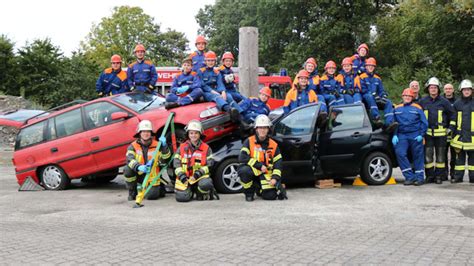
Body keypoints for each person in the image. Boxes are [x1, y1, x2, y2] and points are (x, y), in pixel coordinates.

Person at [238, 115, 284, 201]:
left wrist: (275, 178)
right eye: (260, 128)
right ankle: (249, 193)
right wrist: (258, 165)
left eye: (265, 128)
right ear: (256, 129)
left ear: (268, 129)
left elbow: (278, 164)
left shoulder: (274, 145)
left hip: (266, 174)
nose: (262, 130)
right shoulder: (249, 141)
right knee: (244, 171)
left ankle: (259, 189)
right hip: (252, 170)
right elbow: (242, 157)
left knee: (271, 197)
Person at [419, 77, 456, 184]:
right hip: (428, 134)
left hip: (441, 134)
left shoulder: (444, 102)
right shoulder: (423, 101)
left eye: (435, 87)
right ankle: (430, 176)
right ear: (428, 89)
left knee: (441, 157)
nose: (433, 89)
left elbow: (453, 114)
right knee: (428, 156)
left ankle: (439, 176)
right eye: (431, 87)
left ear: (438, 89)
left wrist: (451, 128)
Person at [124, 120, 170, 201]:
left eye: (148, 131)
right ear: (139, 133)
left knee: (151, 196)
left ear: (151, 133)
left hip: (152, 175)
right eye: (144, 131)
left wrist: (164, 147)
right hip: (138, 173)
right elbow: (129, 160)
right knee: (127, 169)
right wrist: (139, 167)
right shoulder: (133, 146)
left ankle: (157, 188)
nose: (146, 134)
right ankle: (132, 191)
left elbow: (165, 159)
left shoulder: (157, 145)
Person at [173, 120, 219, 201]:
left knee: (206, 184)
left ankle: (199, 192)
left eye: (196, 133)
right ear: (188, 134)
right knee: (182, 198)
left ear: (200, 134)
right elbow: (176, 164)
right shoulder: (182, 147)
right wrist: (182, 176)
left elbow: (210, 165)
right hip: (185, 178)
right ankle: (189, 191)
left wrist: (197, 175)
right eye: (191, 133)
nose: (193, 135)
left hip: (199, 177)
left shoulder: (206, 148)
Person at [392, 88, 428, 186]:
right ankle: (409, 177)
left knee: (418, 156)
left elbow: (424, 122)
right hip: (402, 135)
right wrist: (394, 135)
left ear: (412, 97)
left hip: (416, 134)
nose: (407, 97)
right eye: (405, 96)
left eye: (409, 96)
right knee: (400, 153)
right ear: (402, 97)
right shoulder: (397, 108)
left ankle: (420, 178)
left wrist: (421, 135)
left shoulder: (418, 107)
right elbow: (394, 123)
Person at [198, 51, 241, 118]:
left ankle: (240, 115)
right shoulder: (201, 71)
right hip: (206, 92)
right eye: (208, 60)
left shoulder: (217, 72)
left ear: (215, 61)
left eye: (212, 60)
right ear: (205, 61)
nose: (210, 62)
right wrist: (214, 92)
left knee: (228, 96)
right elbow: (203, 85)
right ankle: (229, 110)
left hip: (215, 89)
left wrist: (223, 92)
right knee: (217, 97)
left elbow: (220, 83)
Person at [359, 57, 398, 131]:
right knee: (369, 96)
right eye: (369, 66)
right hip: (366, 99)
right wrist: (374, 94)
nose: (370, 67)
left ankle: (389, 123)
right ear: (366, 67)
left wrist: (383, 96)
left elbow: (381, 90)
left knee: (388, 102)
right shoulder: (362, 77)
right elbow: (363, 90)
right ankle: (376, 118)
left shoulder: (378, 78)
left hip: (376, 99)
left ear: (374, 67)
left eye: (372, 66)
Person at [449, 79, 474, 183]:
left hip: (472, 138)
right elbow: (453, 119)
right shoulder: (457, 104)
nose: (467, 91)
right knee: (459, 159)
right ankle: (458, 178)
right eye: (465, 90)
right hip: (459, 137)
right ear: (461, 91)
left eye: (468, 89)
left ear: (472, 91)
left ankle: (473, 178)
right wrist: (450, 129)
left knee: (473, 160)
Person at [442, 83, 457, 180]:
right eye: (446, 89)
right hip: (443, 131)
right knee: (442, 154)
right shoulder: (440, 101)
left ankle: (453, 173)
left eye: (450, 89)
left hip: (455, 132)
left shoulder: (458, 101)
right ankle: (444, 174)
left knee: (454, 155)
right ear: (444, 90)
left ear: (453, 90)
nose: (448, 90)